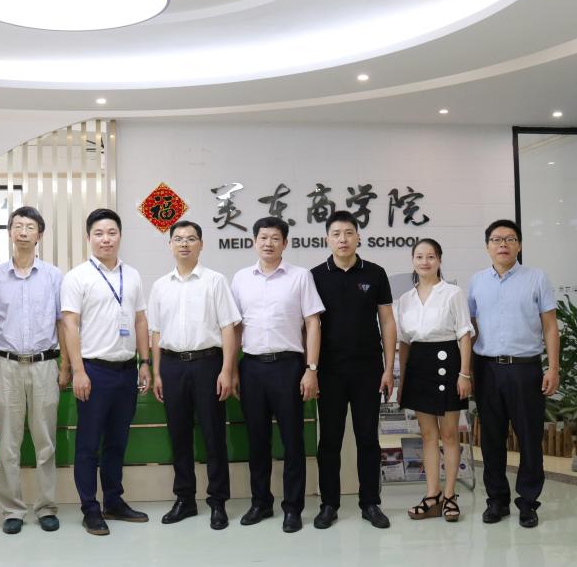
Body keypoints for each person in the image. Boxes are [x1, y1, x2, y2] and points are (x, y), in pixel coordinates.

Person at [0, 206, 68, 535]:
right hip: (6, 366)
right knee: (8, 442)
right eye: (18, 226)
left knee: (45, 442)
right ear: (10, 232)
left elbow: (62, 323)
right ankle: (12, 509)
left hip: (44, 366)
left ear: (39, 234)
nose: (24, 231)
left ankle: (46, 507)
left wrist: (65, 364)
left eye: (30, 226)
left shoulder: (54, 276)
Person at [230, 216, 324, 533]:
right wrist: (231, 368)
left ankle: (293, 508)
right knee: (257, 440)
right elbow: (235, 327)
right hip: (252, 367)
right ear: (254, 241)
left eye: (275, 238)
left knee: (292, 441)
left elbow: (313, 323)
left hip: (288, 367)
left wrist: (311, 369)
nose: (268, 243)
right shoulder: (241, 279)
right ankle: (261, 502)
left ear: (285, 243)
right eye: (263, 237)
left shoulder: (300, 277)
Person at [61, 208, 151, 536]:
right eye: (99, 233)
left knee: (117, 441)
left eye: (112, 232)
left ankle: (113, 501)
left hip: (126, 371)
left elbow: (140, 320)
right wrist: (78, 370)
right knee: (88, 444)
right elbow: (70, 325)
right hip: (94, 371)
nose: (106, 239)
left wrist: (145, 362)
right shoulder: (77, 277)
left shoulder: (133, 275)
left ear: (120, 236)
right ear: (89, 238)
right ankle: (90, 508)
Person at [148, 220, 241, 530]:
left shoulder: (215, 281)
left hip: (208, 364)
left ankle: (218, 501)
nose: (184, 244)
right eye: (178, 239)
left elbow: (228, 328)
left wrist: (227, 370)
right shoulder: (160, 286)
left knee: (214, 435)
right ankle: (185, 499)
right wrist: (157, 372)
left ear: (201, 244)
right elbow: (156, 332)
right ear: (170, 245)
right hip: (172, 366)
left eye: (191, 239)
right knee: (179, 435)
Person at [468, 219, 559, 528]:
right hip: (487, 368)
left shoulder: (536, 278)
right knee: (491, 439)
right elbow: (470, 328)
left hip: (525, 369)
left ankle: (528, 502)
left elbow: (550, 326)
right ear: (487, 247)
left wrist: (553, 368)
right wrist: (468, 371)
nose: (503, 244)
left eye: (509, 239)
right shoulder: (477, 281)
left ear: (519, 245)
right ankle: (497, 500)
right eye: (496, 239)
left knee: (530, 438)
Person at [309, 210, 395, 530]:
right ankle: (329, 504)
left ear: (358, 237)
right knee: (329, 440)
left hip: (368, 370)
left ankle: (370, 502)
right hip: (329, 371)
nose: (342, 239)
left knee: (367, 439)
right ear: (327, 239)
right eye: (336, 234)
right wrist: (311, 369)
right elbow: (310, 326)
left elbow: (387, 321)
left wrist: (388, 368)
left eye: (348, 233)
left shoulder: (375, 273)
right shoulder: (315, 276)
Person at [395, 238, 474, 523]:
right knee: (428, 435)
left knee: (449, 434)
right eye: (419, 256)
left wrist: (464, 374)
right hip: (419, 365)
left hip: (447, 363)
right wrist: (403, 380)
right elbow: (404, 342)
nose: (425, 262)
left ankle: (450, 496)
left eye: (430, 256)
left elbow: (464, 334)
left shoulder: (452, 293)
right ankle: (432, 495)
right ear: (413, 261)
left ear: (439, 260)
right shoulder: (405, 299)